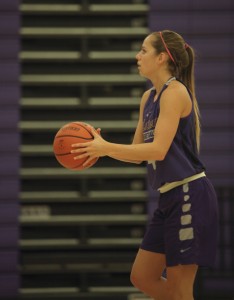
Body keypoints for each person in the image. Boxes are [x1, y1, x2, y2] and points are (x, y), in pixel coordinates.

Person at [71, 30, 219, 300]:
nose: (137, 56)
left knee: (180, 289)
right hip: (168, 199)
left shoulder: (175, 92)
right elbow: (139, 154)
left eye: (143, 50)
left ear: (161, 57)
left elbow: (158, 150)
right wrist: (100, 148)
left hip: (190, 195)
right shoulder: (148, 98)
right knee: (142, 277)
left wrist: (105, 147)